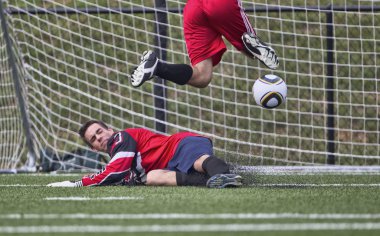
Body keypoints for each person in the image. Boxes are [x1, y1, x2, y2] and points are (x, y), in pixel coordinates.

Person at [47, 120, 242, 188]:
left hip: (181, 145)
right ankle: (210, 180)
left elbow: (114, 172)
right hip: (171, 163)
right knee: (152, 177)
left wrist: (77, 183)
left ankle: (223, 174)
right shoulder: (118, 154)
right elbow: (123, 174)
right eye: (93, 139)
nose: (98, 138)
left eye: (99, 132)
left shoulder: (121, 138)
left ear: (110, 130)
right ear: (94, 149)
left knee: (197, 161)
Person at [130, 0, 279, 88]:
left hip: (193, 9)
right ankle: (253, 45)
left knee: (202, 77)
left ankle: (157, 67)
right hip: (220, 4)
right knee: (248, 46)